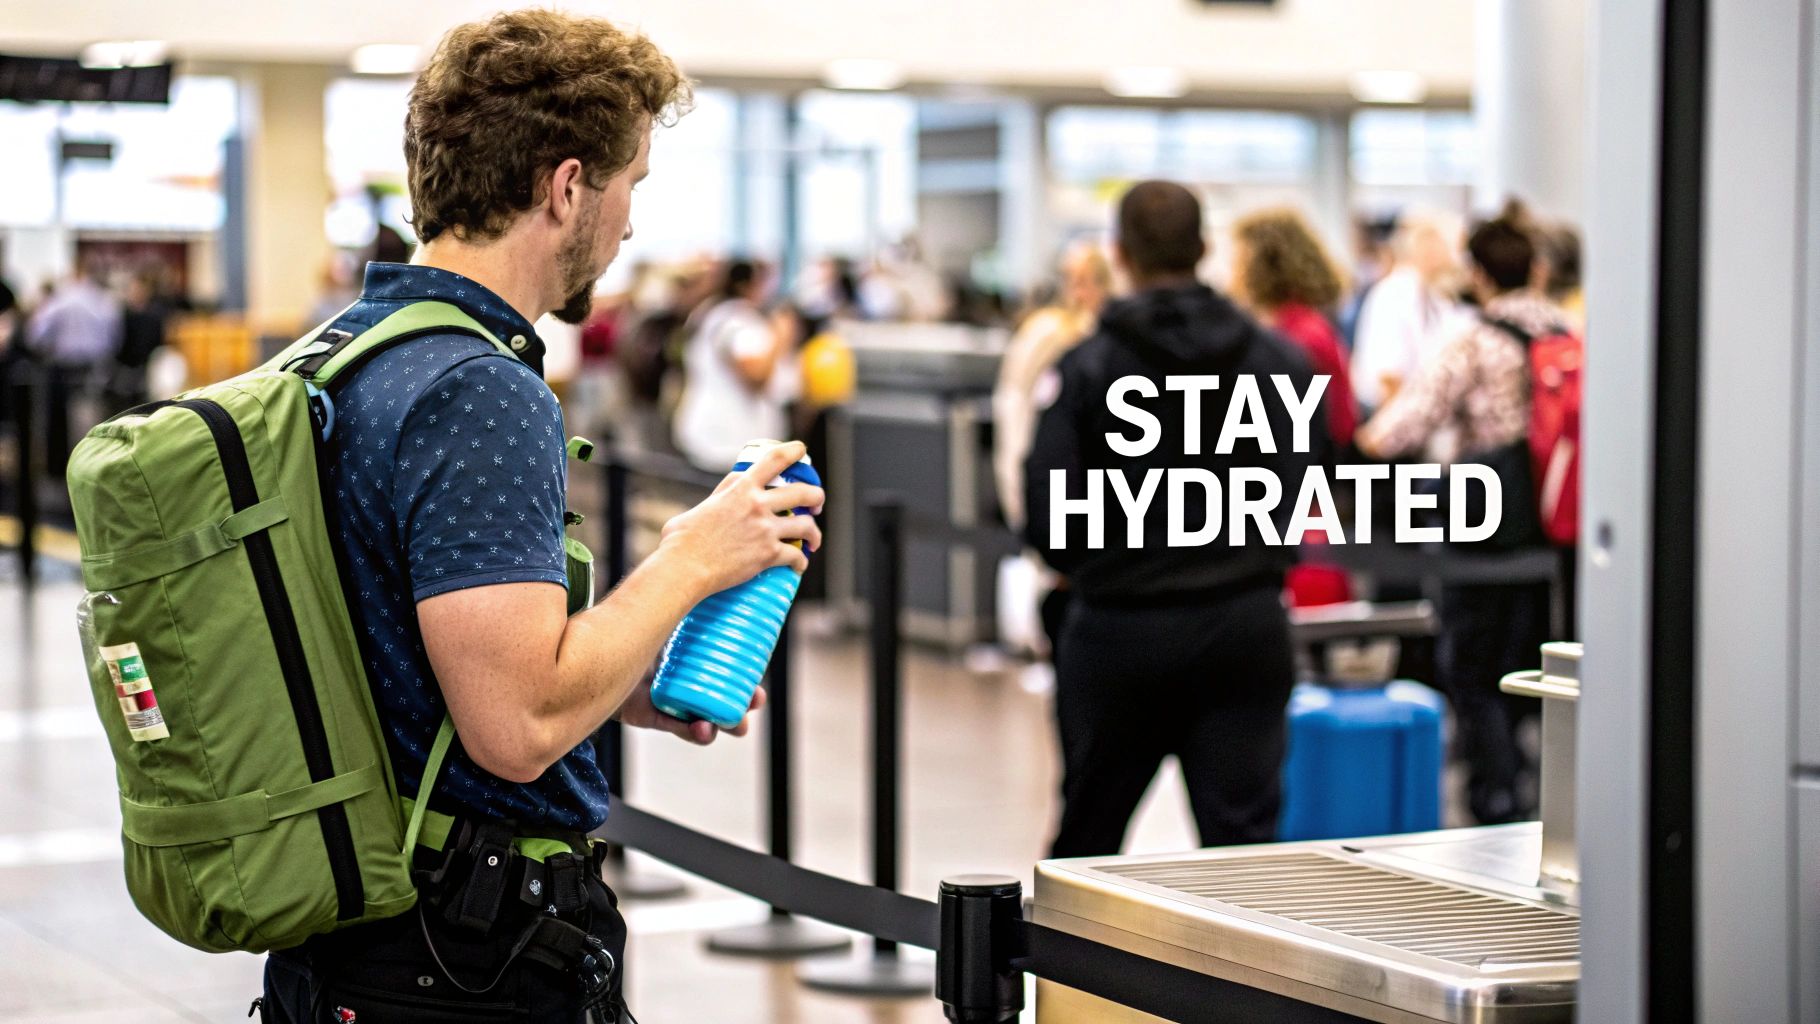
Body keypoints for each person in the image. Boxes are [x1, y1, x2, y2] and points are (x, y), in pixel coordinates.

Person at [257, 12, 823, 1022]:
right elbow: (514, 729)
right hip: (467, 958)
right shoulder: (478, 389)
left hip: (355, 944)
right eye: (631, 183)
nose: (630, 226)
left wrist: (631, 681)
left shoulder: (346, 352)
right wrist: (690, 560)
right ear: (566, 187)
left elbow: (408, 655)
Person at [1026, 181, 1320, 857]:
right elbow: (1306, 485)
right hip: (1244, 626)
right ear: (1204, 248)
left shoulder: (1087, 368)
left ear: (1119, 254)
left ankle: (1077, 938)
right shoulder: (1278, 362)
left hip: (1118, 631)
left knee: (1089, 843)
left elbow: (1049, 514)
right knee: (1243, 851)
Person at [1357, 200, 1569, 825]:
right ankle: (1540, 787)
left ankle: (1495, 793)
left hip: (1483, 519)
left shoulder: (1473, 339)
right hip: (1549, 520)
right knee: (1534, 654)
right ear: (1535, 270)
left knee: (1470, 662)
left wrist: (1359, 444)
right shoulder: (1566, 333)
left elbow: (1403, 425)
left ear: (1477, 274)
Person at [1227, 207, 1358, 452]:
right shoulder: (1288, 326)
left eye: (1238, 261)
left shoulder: (1300, 337)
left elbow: (1337, 426)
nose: (1232, 272)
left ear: (1262, 267)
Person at [671, 258, 789, 471]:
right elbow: (756, 375)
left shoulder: (706, 313)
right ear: (747, 285)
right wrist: (780, 336)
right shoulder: (740, 321)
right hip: (731, 439)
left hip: (705, 431)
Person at [1348, 208, 1469, 414]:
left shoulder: (1432, 295)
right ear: (1429, 247)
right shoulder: (1397, 293)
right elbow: (1389, 378)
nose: (1458, 259)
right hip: (1391, 412)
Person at [26, 259, 121, 477]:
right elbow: (114, 338)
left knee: (58, 424)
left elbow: (36, 335)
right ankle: (90, 468)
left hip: (62, 368)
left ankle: (57, 472)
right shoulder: (103, 301)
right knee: (91, 421)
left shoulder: (59, 300)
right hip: (92, 368)